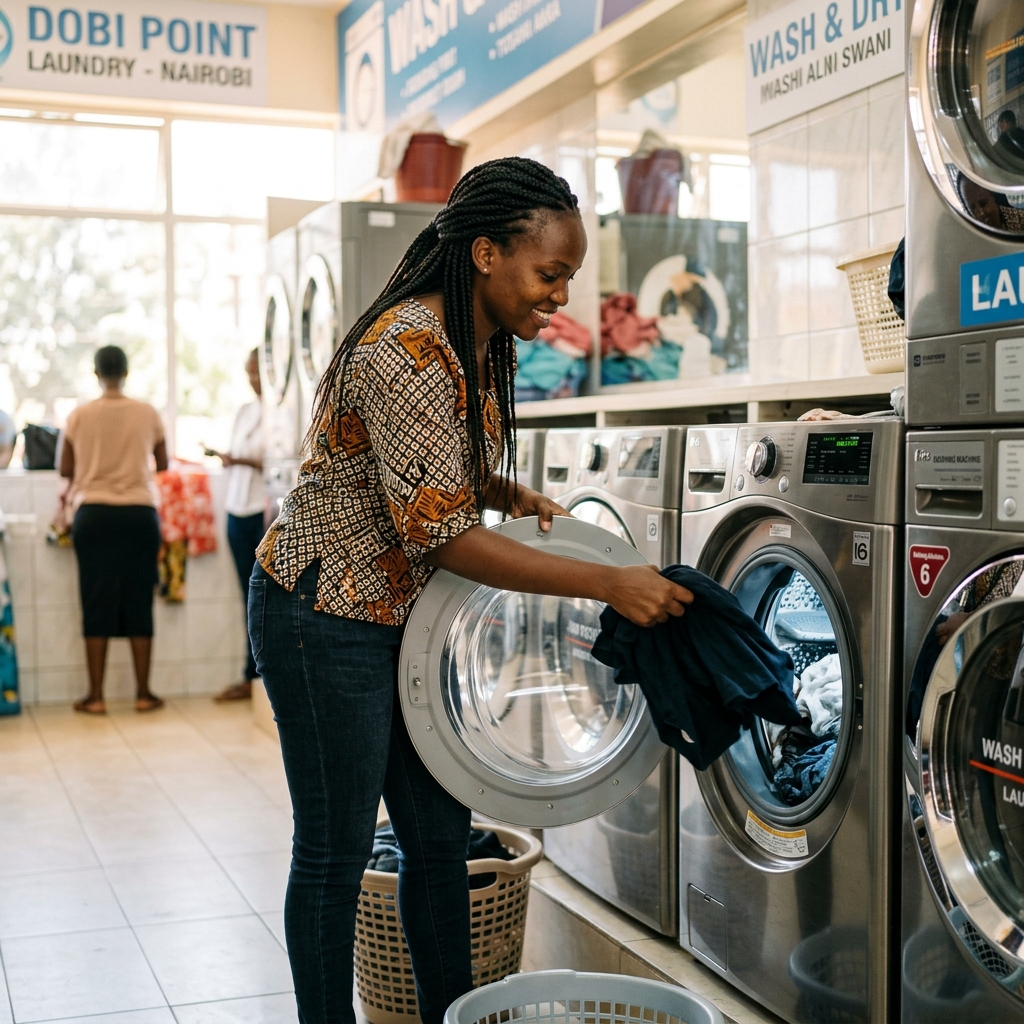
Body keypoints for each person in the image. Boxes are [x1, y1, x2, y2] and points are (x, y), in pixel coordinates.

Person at [251, 157, 693, 1024]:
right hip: (322, 614)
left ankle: (458, 1015)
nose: (559, 296)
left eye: (567, 276)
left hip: (400, 620)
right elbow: (444, 541)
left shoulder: (474, 339)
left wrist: (496, 487)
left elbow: (420, 473)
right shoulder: (411, 345)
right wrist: (610, 582)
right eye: (550, 273)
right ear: (487, 253)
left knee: (439, 840)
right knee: (337, 852)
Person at [61, 345, 167, 714]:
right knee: (140, 599)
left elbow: (65, 469)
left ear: (96, 374)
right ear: (126, 372)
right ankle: (143, 693)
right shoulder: (147, 412)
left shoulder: (79, 415)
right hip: (139, 515)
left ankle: (95, 696)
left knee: (95, 601)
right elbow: (163, 462)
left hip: (94, 515)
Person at [208, 348, 265, 702]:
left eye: (257, 372)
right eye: (248, 373)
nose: (252, 380)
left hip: (263, 510)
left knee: (262, 599)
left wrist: (238, 459)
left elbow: (278, 460)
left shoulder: (285, 412)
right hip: (237, 509)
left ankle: (258, 677)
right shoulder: (245, 411)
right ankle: (249, 676)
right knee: (246, 597)